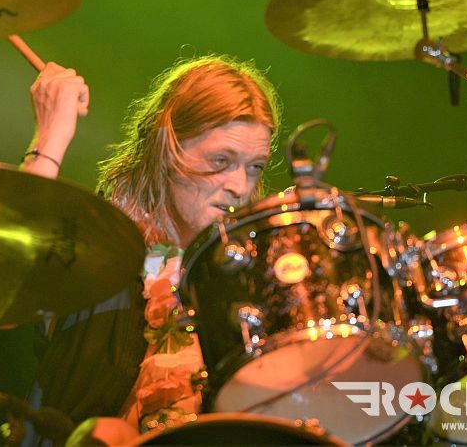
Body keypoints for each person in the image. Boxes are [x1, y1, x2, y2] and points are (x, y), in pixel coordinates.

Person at [19, 55, 282, 445]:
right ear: (167, 148)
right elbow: (11, 269)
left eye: (255, 167)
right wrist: (51, 138)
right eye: (221, 160)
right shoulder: (103, 253)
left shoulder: (250, 286)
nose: (239, 186)